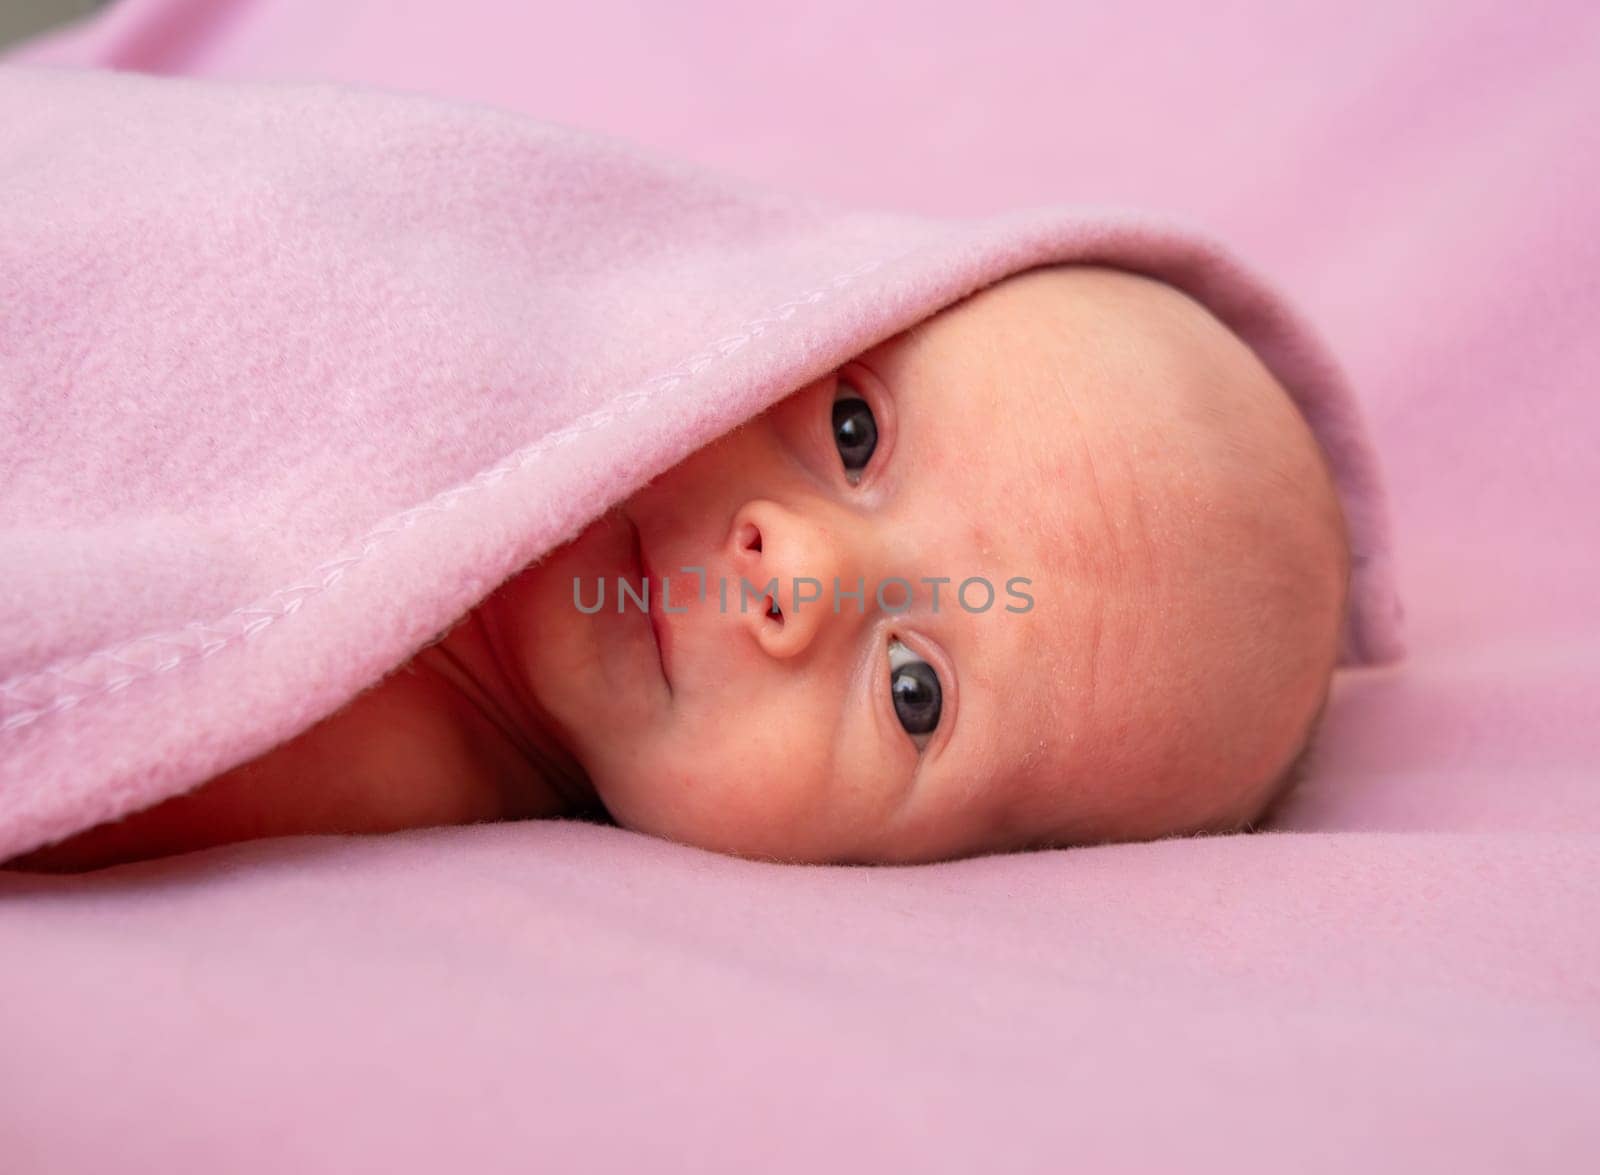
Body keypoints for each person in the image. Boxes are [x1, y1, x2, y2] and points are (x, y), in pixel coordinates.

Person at [4, 262, 1349, 872]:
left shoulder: (361, 741)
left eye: (916, 693)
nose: (801, 573)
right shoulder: (535, 283)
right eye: (854, 429)